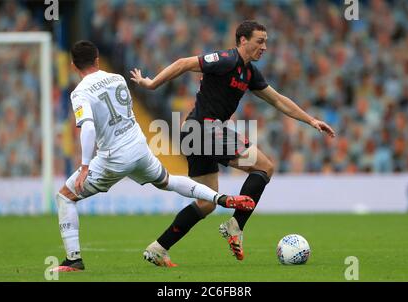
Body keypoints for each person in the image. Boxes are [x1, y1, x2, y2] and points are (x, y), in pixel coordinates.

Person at [130, 20, 335, 265]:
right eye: (260, 41)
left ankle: (158, 248)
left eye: (266, 42)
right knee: (265, 167)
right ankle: (235, 226)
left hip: (195, 133)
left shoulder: (250, 73)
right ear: (242, 41)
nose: (265, 47)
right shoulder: (226, 60)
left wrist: (311, 120)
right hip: (205, 129)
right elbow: (184, 63)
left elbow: (278, 100)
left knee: (206, 203)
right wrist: (151, 84)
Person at [51, 40, 256, 272]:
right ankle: (219, 198)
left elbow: (87, 127)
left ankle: (73, 259)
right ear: (97, 60)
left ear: (73, 66)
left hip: (113, 157)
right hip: (139, 147)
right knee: (167, 180)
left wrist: (85, 165)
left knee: (65, 197)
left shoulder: (80, 92)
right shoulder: (117, 78)